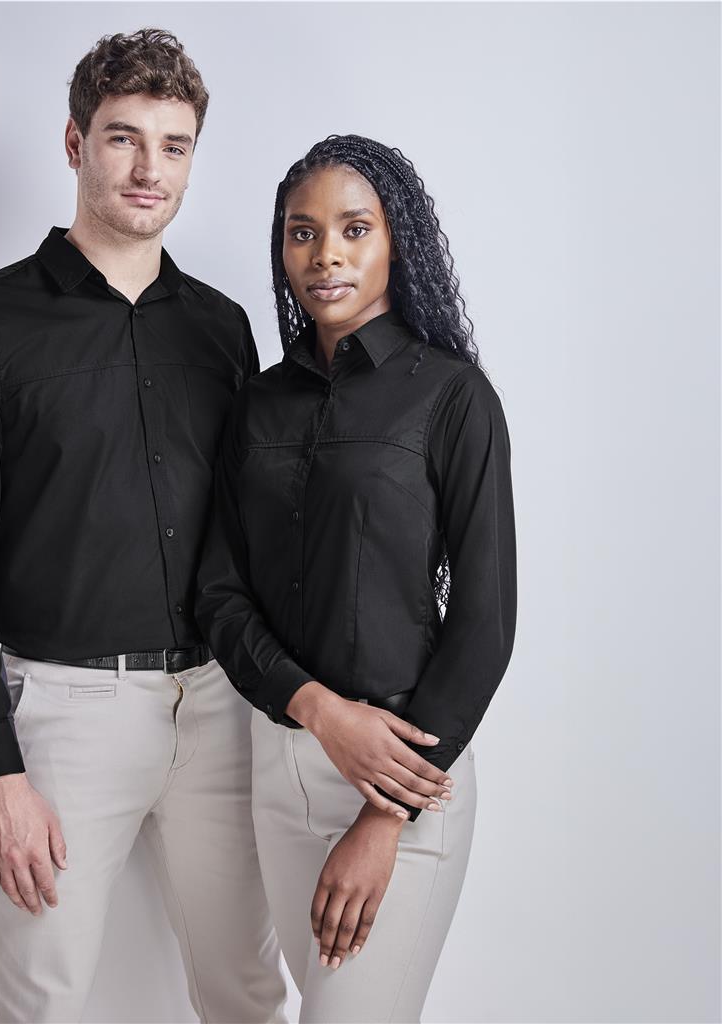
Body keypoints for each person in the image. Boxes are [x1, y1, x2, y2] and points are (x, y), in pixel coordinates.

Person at [0, 29, 287, 1024]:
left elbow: (252, 530)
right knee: (34, 999)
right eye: (124, 138)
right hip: (66, 712)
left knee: (249, 991)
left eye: (174, 145)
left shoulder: (222, 329)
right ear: (75, 143)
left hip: (218, 706)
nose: (149, 168)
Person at [195, 134, 517, 1023]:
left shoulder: (453, 397)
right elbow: (220, 592)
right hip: (280, 769)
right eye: (301, 233)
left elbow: (485, 621)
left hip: (403, 780)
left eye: (353, 228)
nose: (325, 254)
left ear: (395, 242)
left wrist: (385, 819)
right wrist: (318, 710)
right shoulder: (257, 404)